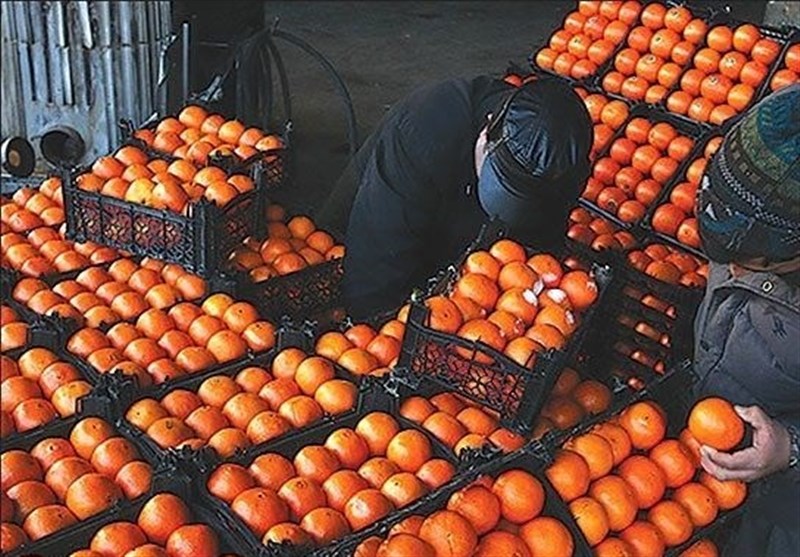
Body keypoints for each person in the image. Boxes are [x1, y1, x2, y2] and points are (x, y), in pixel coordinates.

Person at [315, 75, 592, 319]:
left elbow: (538, 247)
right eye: (499, 185)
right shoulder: (424, 130)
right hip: (375, 224)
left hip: (470, 291)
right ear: (487, 131)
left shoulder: (563, 165)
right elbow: (375, 270)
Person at [692, 83, 799, 556]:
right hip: (709, 472)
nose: (729, 271)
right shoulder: (771, 148)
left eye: (751, 264)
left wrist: (790, 448)